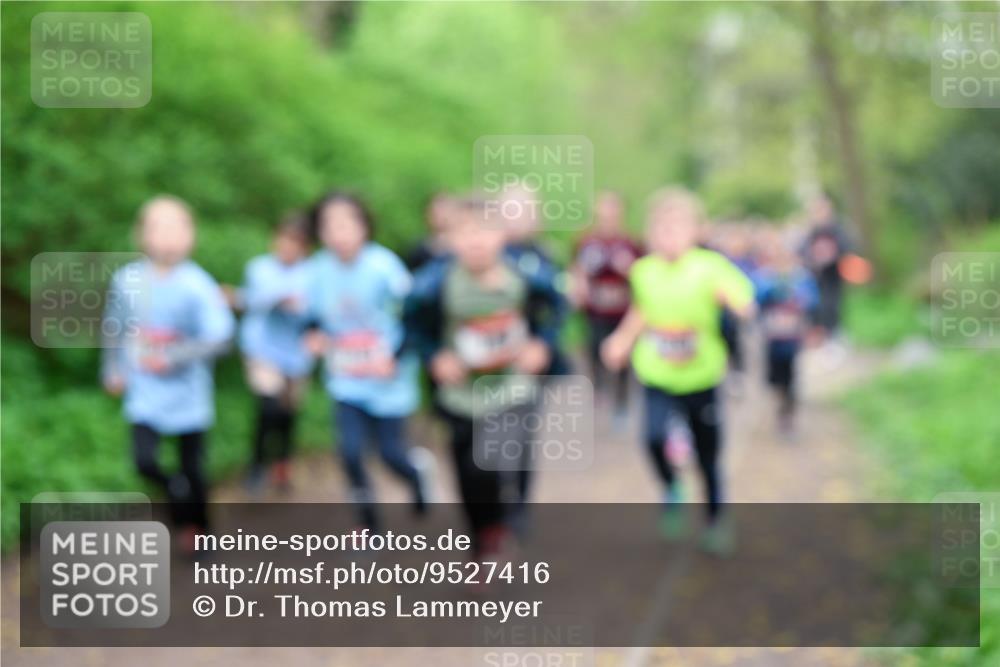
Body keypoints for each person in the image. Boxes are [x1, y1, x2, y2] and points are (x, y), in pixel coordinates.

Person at [404, 196, 564, 558]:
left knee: (492, 459)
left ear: (502, 235)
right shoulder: (434, 283)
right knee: (467, 474)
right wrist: (435, 357)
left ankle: (506, 520)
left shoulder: (525, 274)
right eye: (465, 232)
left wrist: (542, 344)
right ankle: (482, 539)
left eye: (485, 230)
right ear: (449, 239)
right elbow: (411, 324)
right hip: (461, 395)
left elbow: (557, 305)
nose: (476, 241)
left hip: (512, 389)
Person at [602, 187, 754, 555]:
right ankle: (672, 485)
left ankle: (716, 519)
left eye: (677, 227)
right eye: (661, 228)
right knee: (652, 439)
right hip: (657, 374)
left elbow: (744, 300)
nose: (668, 236)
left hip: (701, 377)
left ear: (694, 231)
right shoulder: (643, 271)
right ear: (650, 234)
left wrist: (734, 302)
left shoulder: (710, 266)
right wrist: (621, 339)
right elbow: (642, 311)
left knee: (707, 455)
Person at [102, 195, 235, 551]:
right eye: (159, 227)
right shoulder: (127, 280)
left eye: (177, 227)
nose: (168, 236)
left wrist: (175, 355)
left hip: (189, 395)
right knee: (145, 461)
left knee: (194, 469)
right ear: (142, 235)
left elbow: (221, 338)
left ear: (191, 235)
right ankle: (177, 499)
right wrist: (113, 367)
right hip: (144, 393)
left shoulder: (198, 285)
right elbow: (114, 326)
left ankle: (201, 532)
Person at [303, 192, 428, 532]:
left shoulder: (384, 267)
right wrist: (313, 334)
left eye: (346, 223)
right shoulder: (317, 270)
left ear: (364, 226)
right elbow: (312, 316)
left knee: (390, 454)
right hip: (345, 378)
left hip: (388, 378)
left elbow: (414, 316)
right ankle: (369, 528)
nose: (338, 232)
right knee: (351, 453)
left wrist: (395, 357)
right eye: (329, 225)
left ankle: (417, 477)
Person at [239, 214, 314, 493]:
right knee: (268, 407)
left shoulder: (313, 273)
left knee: (287, 413)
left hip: (297, 353)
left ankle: (283, 461)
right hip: (262, 350)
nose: (287, 247)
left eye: (295, 242)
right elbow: (251, 299)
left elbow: (316, 311)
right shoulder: (258, 268)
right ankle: (257, 464)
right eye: (283, 239)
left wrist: (301, 309)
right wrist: (278, 299)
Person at [571, 191, 642, 427]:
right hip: (595, 310)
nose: (608, 215)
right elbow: (577, 269)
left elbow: (644, 274)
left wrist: (630, 270)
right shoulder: (586, 241)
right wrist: (578, 285)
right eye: (603, 210)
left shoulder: (630, 242)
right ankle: (598, 387)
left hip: (622, 311)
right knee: (594, 348)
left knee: (623, 356)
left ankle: (621, 403)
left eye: (613, 210)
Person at [754, 236, 819, 437]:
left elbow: (813, 301)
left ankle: (787, 413)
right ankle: (781, 402)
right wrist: (773, 288)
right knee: (774, 378)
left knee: (791, 377)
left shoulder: (802, 278)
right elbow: (755, 297)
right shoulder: (765, 277)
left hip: (792, 339)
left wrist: (797, 296)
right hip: (772, 339)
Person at [800, 194, 850, 338]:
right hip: (814, 278)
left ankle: (835, 336)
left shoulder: (838, 229)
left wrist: (831, 257)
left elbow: (847, 249)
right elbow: (803, 250)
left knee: (833, 306)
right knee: (815, 308)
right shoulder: (811, 231)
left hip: (833, 276)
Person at [404, 192, 456, 272]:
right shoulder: (419, 247)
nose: (441, 216)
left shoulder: (462, 247)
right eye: (436, 212)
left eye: (444, 210)